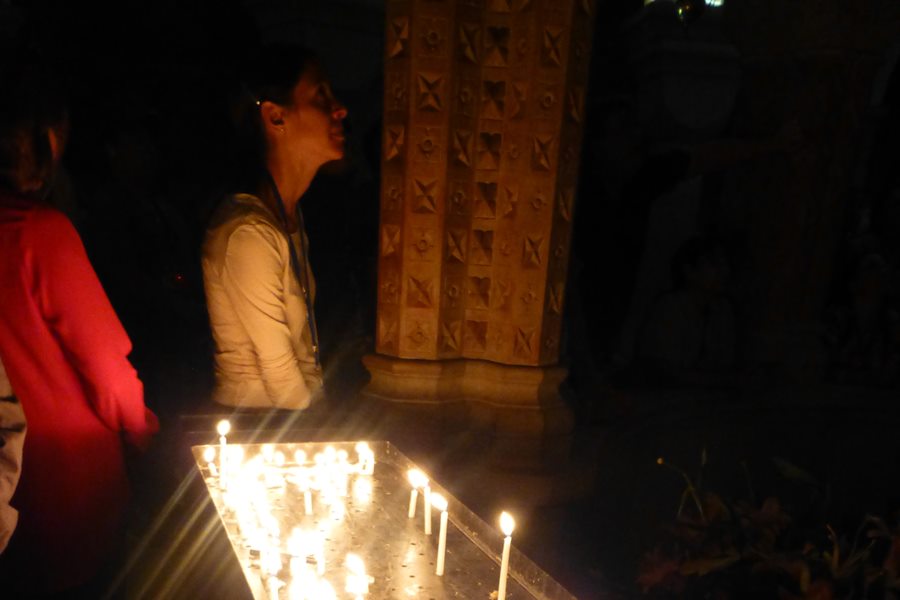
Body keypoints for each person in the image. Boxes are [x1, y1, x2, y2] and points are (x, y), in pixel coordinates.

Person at [0, 60, 159, 594]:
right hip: (67, 489)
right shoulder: (38, 233)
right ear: (38, 140)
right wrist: (145, 433)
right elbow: (104, 364)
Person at [202, 44, 347, 410]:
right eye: (321, 95)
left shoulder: (288, 220)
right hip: (256, 433)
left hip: (286, 429)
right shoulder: (247, 233)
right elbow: (281, 378)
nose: (339, 109)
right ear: (275, 117)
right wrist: (326, 432)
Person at [635, 235, 737, 387]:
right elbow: (664, 371)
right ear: (689, 271)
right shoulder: (669, 308)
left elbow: (726, 362)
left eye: (725, 264)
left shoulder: (721, 310)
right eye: (715, 264)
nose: (725, 271)